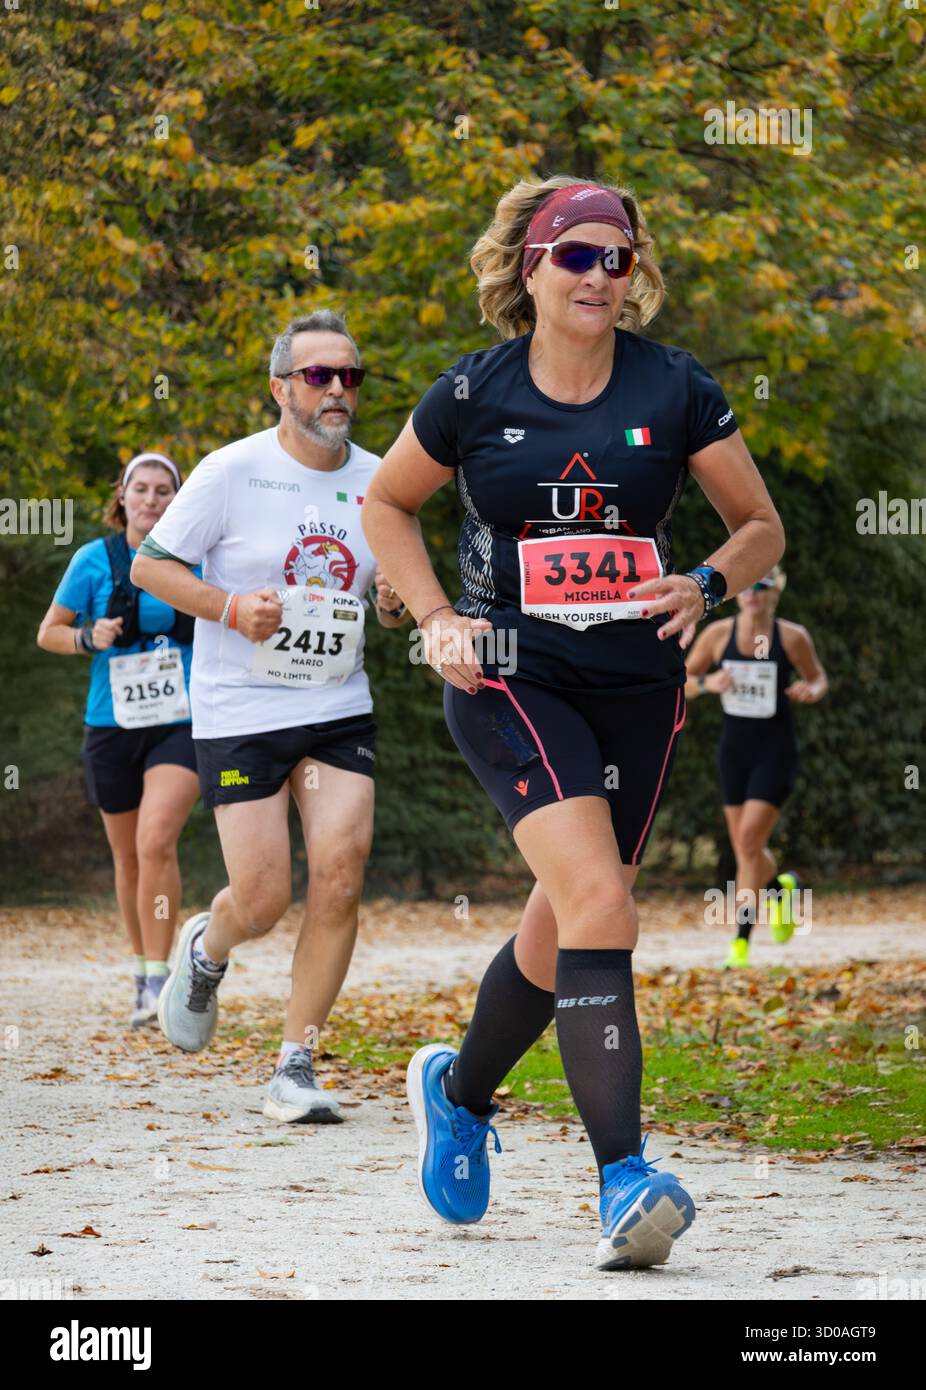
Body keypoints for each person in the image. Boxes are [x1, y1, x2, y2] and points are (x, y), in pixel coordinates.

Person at [363, 176, 785, 1271]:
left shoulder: (675, 386)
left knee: (569, 920)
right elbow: (385, 503)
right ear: (529, 269)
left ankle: (456, 1094)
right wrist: (438, 615)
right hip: (506, 669)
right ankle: (623, 1176)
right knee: (600, 899)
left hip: (634, 682)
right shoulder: (472, 390)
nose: (599, 275)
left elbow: (757, 525)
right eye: (576, 255)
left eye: (617, 257)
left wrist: (700, 577)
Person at [131, 310, 410, 1124]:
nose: (336, 391)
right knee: (261, 899)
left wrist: (392, 603)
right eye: (319, 376)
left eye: (349, 377)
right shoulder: (229, 472)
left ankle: (296, 1063)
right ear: (281, 387)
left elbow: (389, 606)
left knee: (341, 872)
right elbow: (151, 566)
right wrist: (225, 606)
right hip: (240, 710)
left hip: (335, 707)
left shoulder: (381, 477)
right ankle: (207, 947)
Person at [37, 452, 201, 1027]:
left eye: (163, 491)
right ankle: (142, 975)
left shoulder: (197, 561)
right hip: (110, 725)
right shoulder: (94, 560)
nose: (152, 499)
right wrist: (89, 637)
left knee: (157, 840)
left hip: (180, 723)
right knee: (128, 855)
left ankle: (161, 981)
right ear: (123, 497)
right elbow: (49, 633)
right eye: (142, 489)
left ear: (177, 500)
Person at [684, 566, 828, 966]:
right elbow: (682, 678)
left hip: (775, 752)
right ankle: (783, 890)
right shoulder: (717, 636)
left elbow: (818, 679)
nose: (753, 594)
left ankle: (741, 942)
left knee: (748, 842)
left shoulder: (792, 637)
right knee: (747, 849)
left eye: (762, 586)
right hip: (734, 752)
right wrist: (708, 684)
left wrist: (808, 690)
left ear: (775, 592)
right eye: (746, 587)